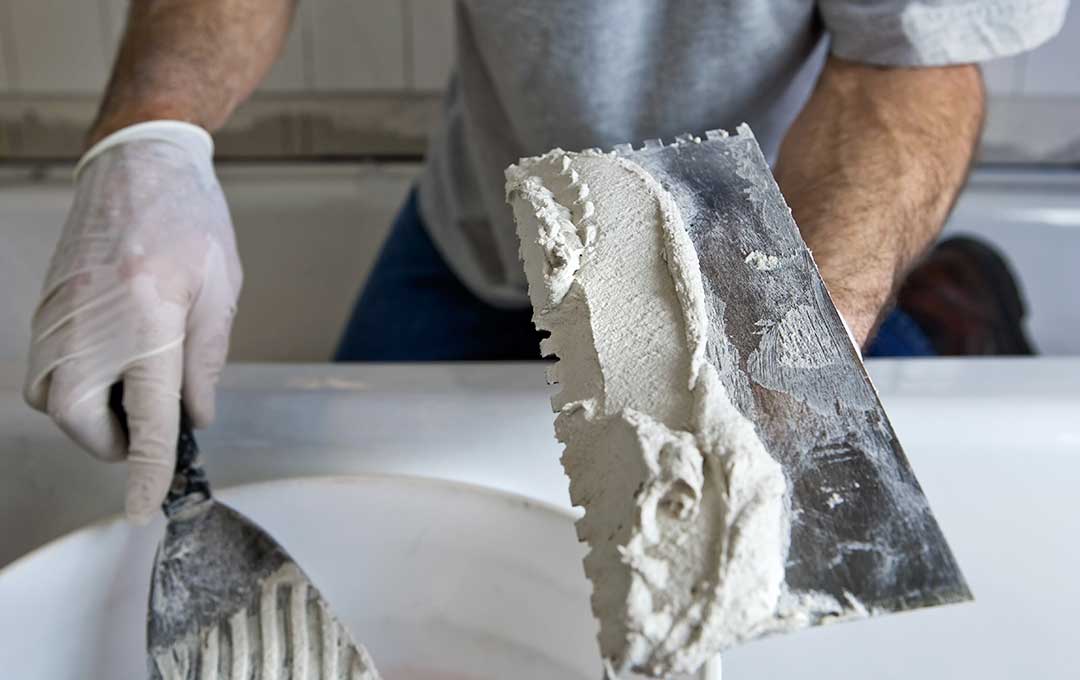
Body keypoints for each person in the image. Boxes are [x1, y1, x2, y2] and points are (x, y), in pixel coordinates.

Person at [23, 0, 1066, 523]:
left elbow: (906, 61)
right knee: (347, 523)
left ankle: (944, 305)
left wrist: (788, 334)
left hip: (763, 239)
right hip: (491, 222)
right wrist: (152, 133)